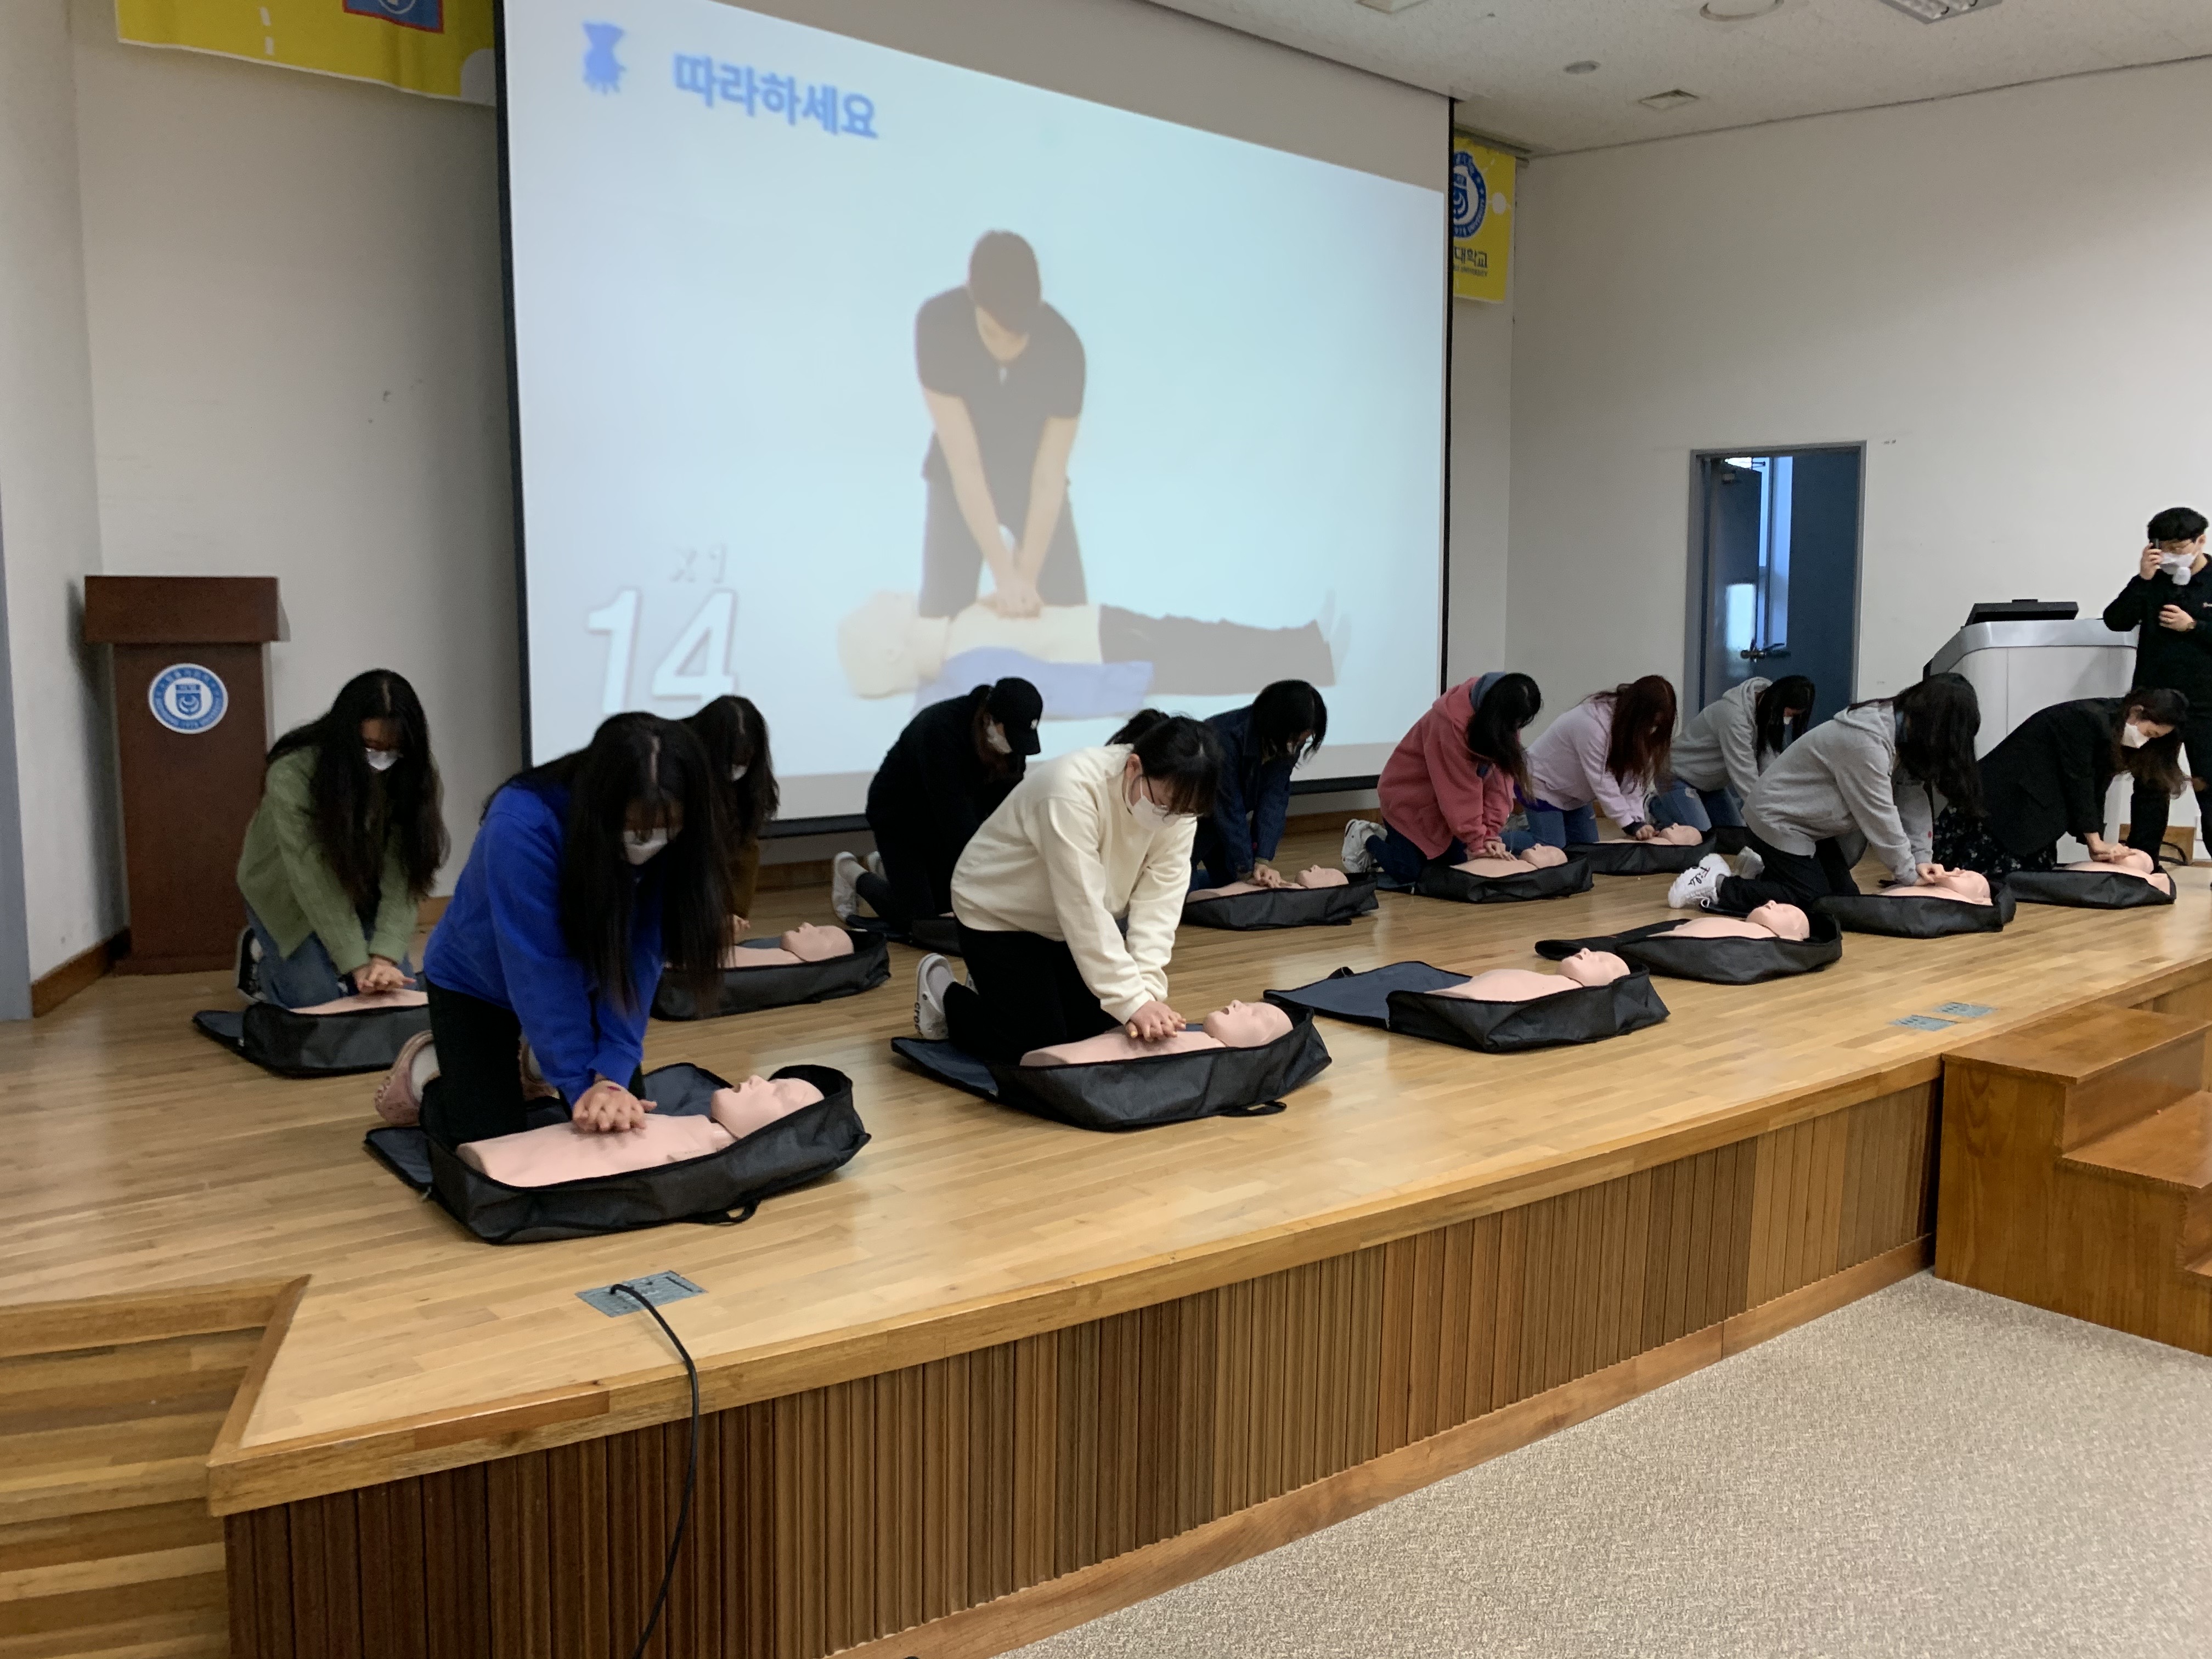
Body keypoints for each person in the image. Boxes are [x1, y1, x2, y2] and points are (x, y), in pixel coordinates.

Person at [417, 713, 730, 1146]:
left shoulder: (683, 836)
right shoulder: (521, 823)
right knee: (489, 1142)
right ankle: (437, 1084)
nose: (649, 842)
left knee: (621, 1127)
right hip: (476, 979)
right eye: (635, 829)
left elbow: (642, 953)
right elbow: (539, 966)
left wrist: (613, 1072)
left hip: (591, 973)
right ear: (599, 806)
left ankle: (537, 1060)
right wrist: (581, 1086)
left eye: (665, 830)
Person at [917, 714, 1221, 1062]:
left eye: (1183, 812)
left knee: (1099, 1033)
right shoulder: (1070, 789)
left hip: (1060, 923)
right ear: (1134, 767)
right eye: (1164, 805)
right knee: (1037, 1049)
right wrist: (1131, 1000)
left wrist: (1146, 992)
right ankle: (946, 997)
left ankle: (1000, 990)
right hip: (999, 911)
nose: (1170, 818)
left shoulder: (1179, 809)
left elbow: (1161, 902)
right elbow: (1082, 906)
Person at [1668, 674, 1983, 915]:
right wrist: (1908, 873)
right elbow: (1879, 814)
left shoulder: (1907, 734)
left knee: (1843, 902)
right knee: (1812, 900)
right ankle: (1716, 884)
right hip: (1777, 819)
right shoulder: (1867, 742)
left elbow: (1911, 796)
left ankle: (1764, 874)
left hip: (1812, 827)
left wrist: (1922, 860)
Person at [235, 669, 447, 1008]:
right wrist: (357, 965)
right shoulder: (292, 772)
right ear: (346, 737)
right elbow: (312, 876)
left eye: (393, 749)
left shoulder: (415, 770)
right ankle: (261, 960)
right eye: (370, 747)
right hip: (288, 889)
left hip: (362, 886)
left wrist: (383, 959)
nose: (381, 759)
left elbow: (405, 867)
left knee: (394, 997)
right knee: (316, 1001)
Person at [916, 230, 1085, 620]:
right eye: (993, 333)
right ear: (971, 296)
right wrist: (1004, 574)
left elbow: (1049, 475)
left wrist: (1025, 579)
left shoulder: (1065, 350)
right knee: (941, 619)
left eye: (1018, 337)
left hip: (1032, 479)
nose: (1005, 350)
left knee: (1068, 617)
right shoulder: (937, 326)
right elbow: (965, 465)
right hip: (957, 477)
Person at [837, 678, 1043, 932]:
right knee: (922, 922)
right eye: (1010, 735)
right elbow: (955, 822)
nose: (1014, 747)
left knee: (954, 905)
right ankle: (851, 872)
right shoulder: (940, 729)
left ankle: (892, 870)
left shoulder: (1012, 740)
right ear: (990, 719)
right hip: (901, 818)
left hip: (949, 817)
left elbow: (1008, 808)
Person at [1932, 690, 2187, 877]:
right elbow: (2079, 781)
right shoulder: (2086, 719)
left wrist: (2095, 841)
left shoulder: (2112, 729)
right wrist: (2095, 841)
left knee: (2030, 875)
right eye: (2149, 734)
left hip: (2034, 805)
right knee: (1982, 876)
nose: (2145, 743)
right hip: (2001, 799)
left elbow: (2097, 787)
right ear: (2136, 712)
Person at [1343, 673, 1542, 884]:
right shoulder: (1451, 722)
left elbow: (1500, 782)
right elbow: (1460, 792)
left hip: (1447, 805)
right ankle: (1365, 836)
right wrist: (1478, 841)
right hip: (1408, 798)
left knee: (1451, 868)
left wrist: (1490, 834)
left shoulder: (1505, 719)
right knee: (1409, 873)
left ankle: (1397, 843)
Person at [2103, 507, 2212, 857]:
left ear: (2200, 541)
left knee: (2209, 785)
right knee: (2150, 784)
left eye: (2179, 548)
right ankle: (2144, 861)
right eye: (2164, 548)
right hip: (2155, 701)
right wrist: (2143, 579)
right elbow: (2115, 621)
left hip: (2205, 702)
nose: (2172, 556)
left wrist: (2193, 626)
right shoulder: (2152, 581)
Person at [1192, 680, 1329, 889]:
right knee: (1180, 892)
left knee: (1236, 889)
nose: (1296, 746)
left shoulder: (1288, 742)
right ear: (1277, 725)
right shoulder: (1223, 738)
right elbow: (1229, 807)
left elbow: (1275, 797)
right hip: (1191, 820)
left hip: (1224, 824)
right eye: (1295, 739)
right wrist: (1247, 867)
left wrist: (1262, 859)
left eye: (1303, 741)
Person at [1519, 676, 1678, 848]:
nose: (1651, 730)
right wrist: (1628, 824)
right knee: (1552, 848)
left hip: (1574, 795)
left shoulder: (1631, 728)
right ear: (1638, 713)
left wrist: (1638, 820)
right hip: (1541, 784)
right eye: (1651, 723)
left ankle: (1539, 828)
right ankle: (1502, 840)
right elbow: (1603, 780)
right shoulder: (1593, 725)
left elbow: (1632, 779)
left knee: (1587, 850)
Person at [1654, 675, 1815, 833]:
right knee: (1702, 838)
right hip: (1677, 776)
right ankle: (1655, 806)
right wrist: (1772, 817)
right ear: (1779, 704)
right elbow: (1745, 777)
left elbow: (1769, 765)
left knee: (1734, 836)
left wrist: (1784, 805)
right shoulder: (1734, 716)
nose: (1788, 720)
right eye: (1790, 715)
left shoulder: (1768, 710)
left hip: (1710, 785)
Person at [684, 695, 777, 929]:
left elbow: (745, 852)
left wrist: (732, 915)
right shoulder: (676, 767)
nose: (736, 768)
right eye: (728, 760)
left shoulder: (750, 785)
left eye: (744, 759)